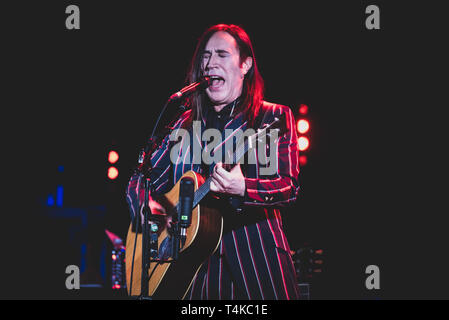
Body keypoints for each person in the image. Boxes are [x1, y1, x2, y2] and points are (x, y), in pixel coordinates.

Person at [126, 24, 300, 300]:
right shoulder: (181, 126)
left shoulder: (272, 118)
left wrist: (243, 188)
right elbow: (141, 179)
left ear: (245, 65)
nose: (210, 63)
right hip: (190, 272)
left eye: (221, 54)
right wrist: (149, 209)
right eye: (205, 56)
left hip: (256, 263)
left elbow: (288, 188)